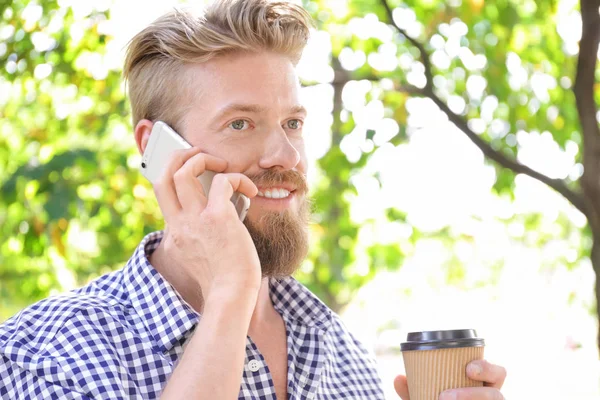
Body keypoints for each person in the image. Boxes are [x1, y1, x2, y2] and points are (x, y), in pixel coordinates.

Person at [0, 0, 507, 399]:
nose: (285, 155)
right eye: (240, 123)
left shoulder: (341, 353)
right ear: (154, 149)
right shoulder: (47, 352)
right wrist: (230, 292)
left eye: (293, 123)